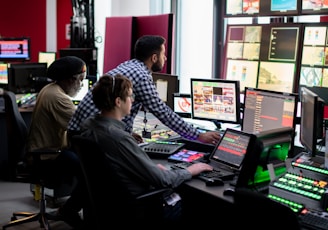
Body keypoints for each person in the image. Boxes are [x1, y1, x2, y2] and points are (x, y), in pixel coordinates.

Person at [79, 74, 214, 223]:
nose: (133, 100)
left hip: (111, 205)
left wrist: (150, 169)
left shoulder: (89, 125)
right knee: (202, 205)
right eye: (130, 96)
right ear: (118, 102)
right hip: (139, 207)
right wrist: (191, 170)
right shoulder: (119, 138)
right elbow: (163, 180)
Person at [68, 35, 221, 145]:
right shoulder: (141, 76)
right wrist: (199, 135)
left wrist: (126, 134)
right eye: (163, 54)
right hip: (96, 138)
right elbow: (163, 112)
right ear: (154, 58)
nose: (165, 58)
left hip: (80, 134)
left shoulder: (128, 65)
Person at [25, 56, 87, 229]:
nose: (81, 85)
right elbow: (85, 123)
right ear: (70, 79)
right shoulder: (58, 98)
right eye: (80, 80)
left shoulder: (50, 89)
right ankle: (70, 210)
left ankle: (69, 208)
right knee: (92, 171)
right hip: (47, 157)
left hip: (44, 152)